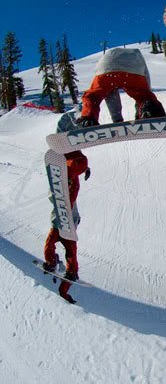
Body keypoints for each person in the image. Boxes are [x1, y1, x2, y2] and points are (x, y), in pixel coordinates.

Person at [43, 111, 91, 303]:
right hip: (65, 221)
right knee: (56, 249)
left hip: (64, 221)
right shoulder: (69, 232)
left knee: (57, 249)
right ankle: (53, 263)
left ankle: (59, 266)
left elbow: (78, 164)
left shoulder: (73, 163)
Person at [77, 48, 166, 127]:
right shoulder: (137, 55)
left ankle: (88, 119)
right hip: (134, 65)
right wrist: (143, 109)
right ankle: (151, 112)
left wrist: (117, 120)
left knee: (93, 96)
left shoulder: (108, 58)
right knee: (143, 96)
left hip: (106, 65)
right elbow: (146, 90)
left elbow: (110, 93)